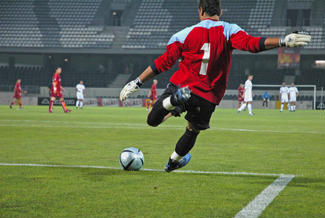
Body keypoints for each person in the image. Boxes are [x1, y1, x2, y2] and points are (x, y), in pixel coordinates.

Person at [119, 0, 311, 172]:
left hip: (182, 85)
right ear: (220, 11)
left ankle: (173, 101)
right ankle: (172, 162)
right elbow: (252, 44)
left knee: (152, 120)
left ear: (201, 11)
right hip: (207, 95)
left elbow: (163, 62)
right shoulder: (229, 30)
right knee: (192, 130)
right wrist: (282, 41)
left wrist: (137, 82)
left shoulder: (183, 34)